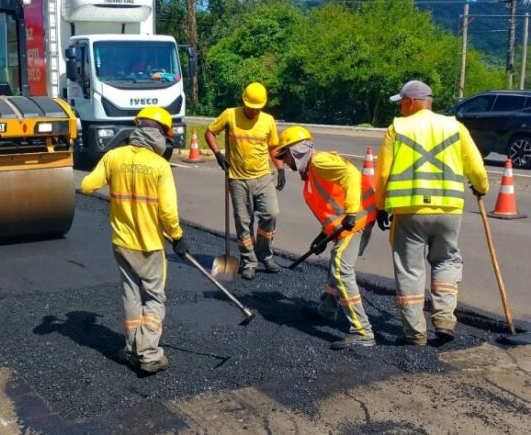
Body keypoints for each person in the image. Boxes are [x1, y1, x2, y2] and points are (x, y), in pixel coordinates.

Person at [376, 80, 489, 346]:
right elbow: (476, 167)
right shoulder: (455, 127)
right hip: (448, 210)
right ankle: (444, 320)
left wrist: (381, 206)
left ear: (412, 102)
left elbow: (383, 173)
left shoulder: (397, 128)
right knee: (446, 261)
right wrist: (481, 187)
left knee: (410, 269)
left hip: (409, 211)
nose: (401, 108)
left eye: (403, 102)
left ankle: (415, 332)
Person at [81, 106, 189, 374]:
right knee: (153, 297)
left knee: (131, 294)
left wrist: (112, 162)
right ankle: (149, 355)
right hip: (150, 245)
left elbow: (86, 185)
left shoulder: (114, 157)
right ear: (161, 134)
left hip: (122, 242)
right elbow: (167, 211)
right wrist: (177, 236)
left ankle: (131, 349)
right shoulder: (159, 165)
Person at [275, 126, 377, 349]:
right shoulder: (313, 171)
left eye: (286, 156)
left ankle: (363, 332)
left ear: (296, 151)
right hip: (352, 220)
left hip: (357, 218)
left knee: (341, 266)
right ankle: (327, 309)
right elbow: (333, 204)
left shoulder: (320, 162)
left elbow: (351, 175)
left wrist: (351, 211)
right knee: (335, 262)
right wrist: (323, 235)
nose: (286, 163)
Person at [205, 82, 286, 280]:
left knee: (271, 214)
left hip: (263, 177)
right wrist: (217, 154)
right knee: (243, 222)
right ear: (244, 102)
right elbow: (209, 132)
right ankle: (249, 261)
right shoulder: (230, 115)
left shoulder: (268, 121)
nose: (254, 111)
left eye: (257, 108)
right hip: (238, 178)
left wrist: (281, 169)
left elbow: (273, 147)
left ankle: (264, 254)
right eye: (251, 107)